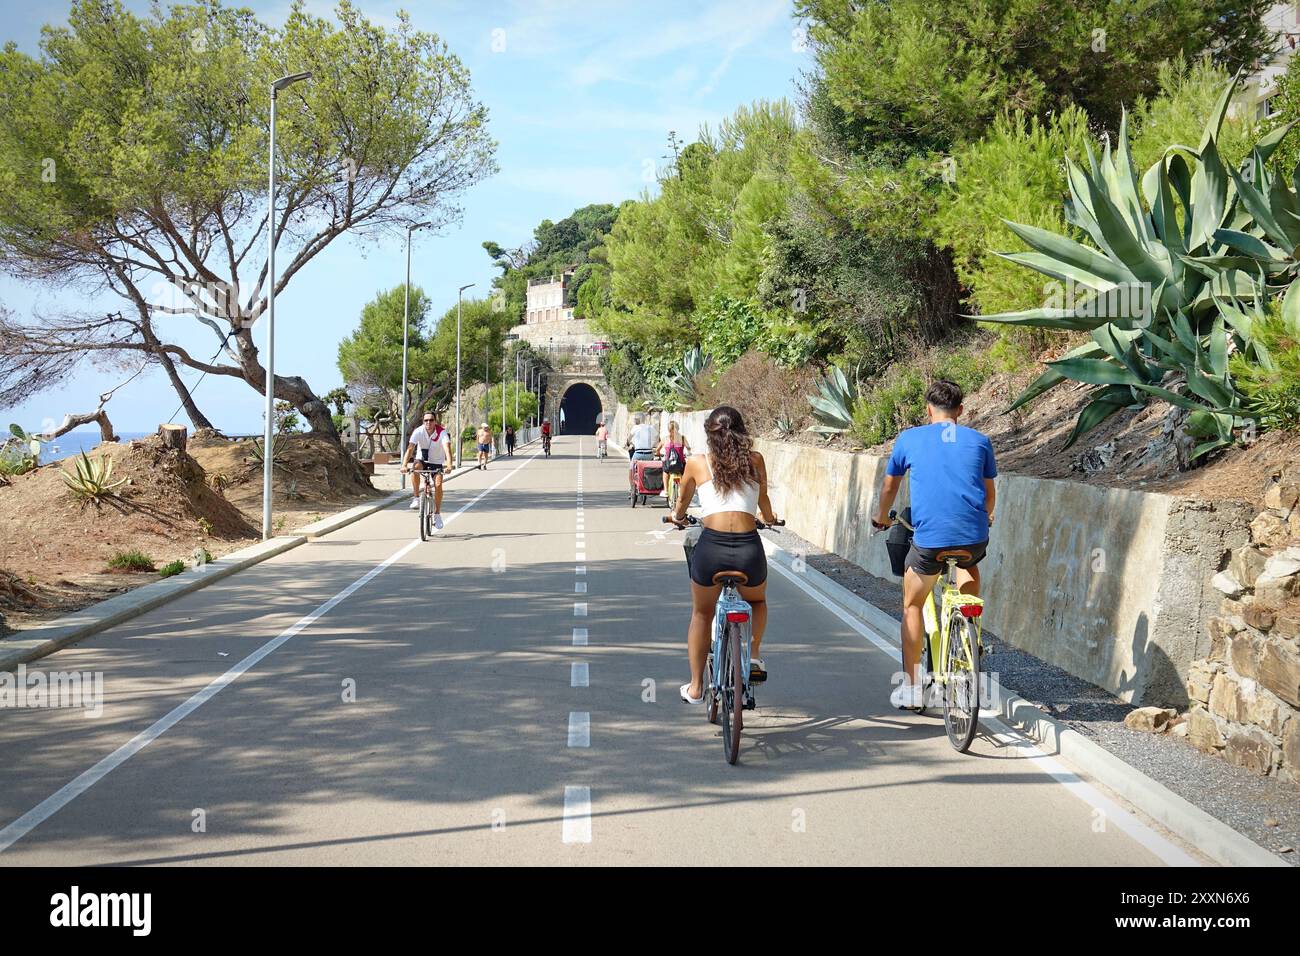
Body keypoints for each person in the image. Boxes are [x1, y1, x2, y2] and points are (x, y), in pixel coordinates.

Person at [871, 380, 997, 710]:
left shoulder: (909, 439)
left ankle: (912, 689)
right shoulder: (980, 441)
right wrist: (987, 516)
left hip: (930, 542)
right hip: (973, 536)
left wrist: (881, 517)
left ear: (928, 410)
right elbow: (989, 493)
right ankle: (971, 627)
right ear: (961, 410)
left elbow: (888, 488)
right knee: (969, 562)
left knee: (912, 605)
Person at [667, 406, 779, 705]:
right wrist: (769, 518)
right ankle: (753, 657)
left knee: (702, 614)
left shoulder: (697, 463)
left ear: (709, 434)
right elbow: (764, 502)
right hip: (748, 549)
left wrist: (676, 517)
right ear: (741, 431)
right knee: (756, 601)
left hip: (711, 548)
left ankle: (695, 686)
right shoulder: (755, 461)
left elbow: (682, 503)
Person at [401, 411, 452, 529]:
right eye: (426, 420)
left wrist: (449, 465)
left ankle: (437, 514)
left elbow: (447, 450)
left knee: (438, 485)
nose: (428, 422)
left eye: (431, 420)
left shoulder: (441, 432)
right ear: (423, 422)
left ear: (435, 421)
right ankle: (416, 497)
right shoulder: (418, 431)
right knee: (415, 469)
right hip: (422, 460)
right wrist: (404, 465)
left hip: (437, 463)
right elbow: (410, 449)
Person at [656, 420, 691, 507]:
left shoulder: (665, 439)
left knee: (665, 472)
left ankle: (666, 491)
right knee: (685, 475)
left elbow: (657, 450)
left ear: (668, 429)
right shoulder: (682, 438)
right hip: (680, 464)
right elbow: (689, 448)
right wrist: (688, 452)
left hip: (669, 465)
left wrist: (659, 454)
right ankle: (684, 491)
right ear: (678, 428)